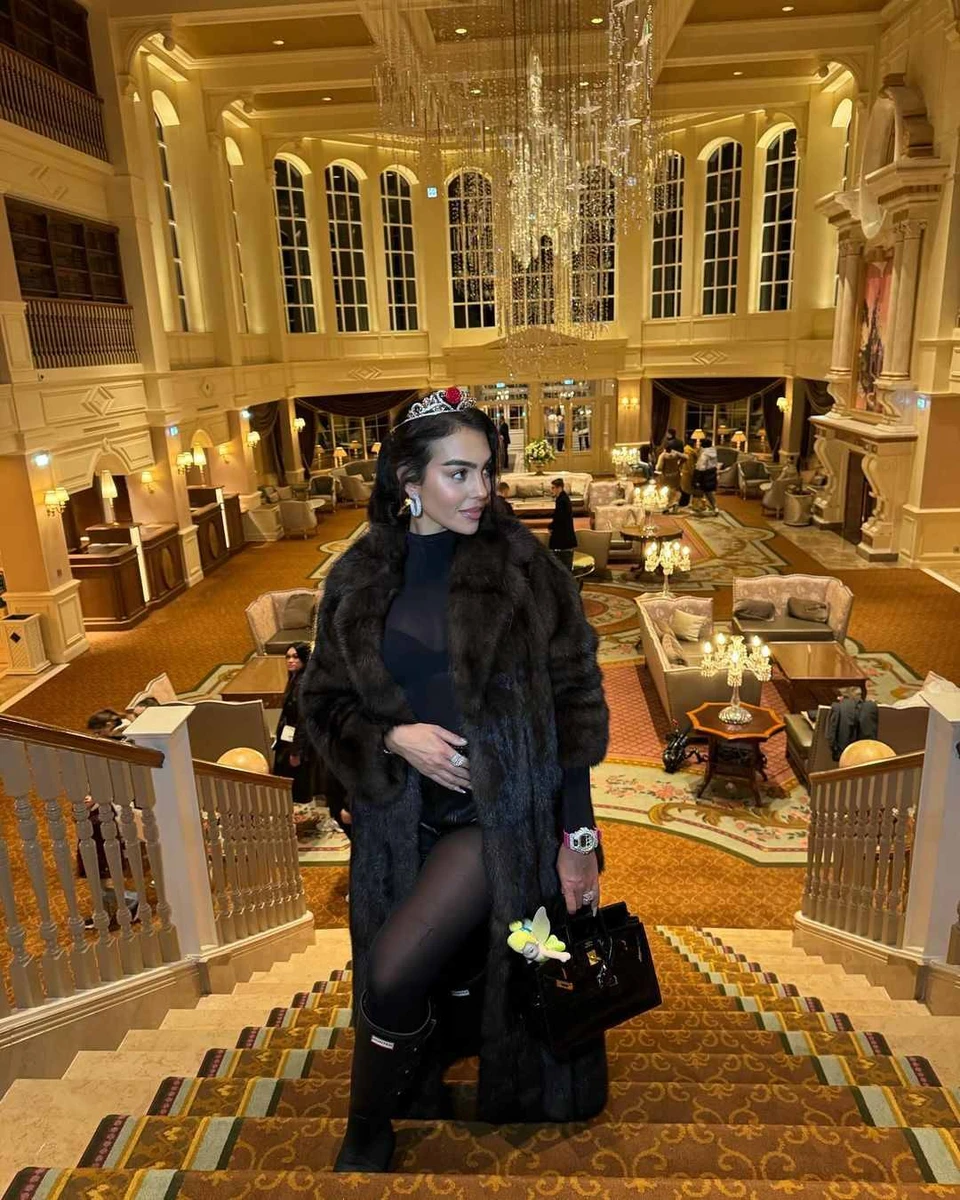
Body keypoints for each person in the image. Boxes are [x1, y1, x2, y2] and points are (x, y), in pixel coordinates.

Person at [301, 389, 609, 1173]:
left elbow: (576, 706)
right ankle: (411, 1082)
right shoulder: (359, 577)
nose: (481, 491)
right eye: (459, 473)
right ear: (409, 479)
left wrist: (578, 838)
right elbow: (324, 701)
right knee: (420, 976)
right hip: (397, 821)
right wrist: (391, 737)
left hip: (497, 818)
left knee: (394, 970)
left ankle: (367, 1124)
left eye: (486, 472)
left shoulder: (527, 570)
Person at [272, 643, 317, 805]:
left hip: (299, 742)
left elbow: (303, 721)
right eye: (288, 657)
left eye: (295, 657)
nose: (290, 660)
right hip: (289, 737)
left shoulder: (303, 685)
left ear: (304, 659)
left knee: (297, 784)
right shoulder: (295, 678)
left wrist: (296, 751)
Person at [548, 476, 577, 554]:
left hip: (563, 533)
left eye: (553, 488)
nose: (552, 490)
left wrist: (551, 527)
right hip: (564, 531)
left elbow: (559, 517)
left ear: (559, 488)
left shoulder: (562, 500)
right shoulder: (562, 498)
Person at [694, 437, 719, 514]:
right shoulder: (713, 452)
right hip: (712, 473)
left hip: (704, 475)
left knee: (701, 491)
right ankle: (714, 507)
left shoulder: (705, 454)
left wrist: (697, 477)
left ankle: (700, 507)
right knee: (709, 492)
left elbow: (701, 466)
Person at [679, 439, 698, 509]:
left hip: (684, 472)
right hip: (688, 473)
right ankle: (683, 504)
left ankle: (683, 504)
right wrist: (694, 474)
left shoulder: (685, 451)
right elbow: (690, 465)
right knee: (687, 490)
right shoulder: (689, 453)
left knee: (685, 489)